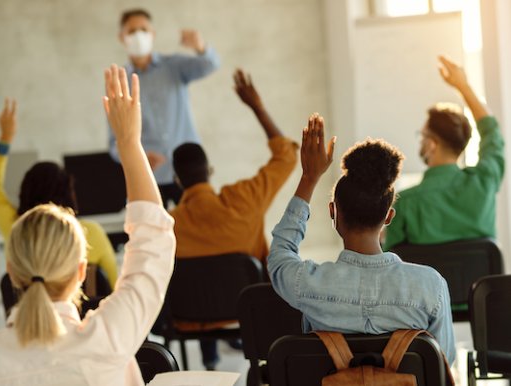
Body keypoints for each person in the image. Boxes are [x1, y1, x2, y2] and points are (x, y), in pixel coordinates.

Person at [0, 65, 175, 385]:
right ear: (80, 271)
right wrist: (129, 142)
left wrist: (4, 140)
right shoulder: (109, 338)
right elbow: (153, 243)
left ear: (12, 271)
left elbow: (153, 240)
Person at [267, 114, 456, 365]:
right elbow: (443, 361)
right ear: (388, 217)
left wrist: (309, 178)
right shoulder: (430, 286)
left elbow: (280, 255)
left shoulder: (307, 283)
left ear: (333, 213)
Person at [167, 69, 298, 370]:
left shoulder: (167, 225)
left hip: (189, 319)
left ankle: (209, 362)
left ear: (176, 179)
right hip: (250, 311)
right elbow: (287, 158)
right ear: (209, 171)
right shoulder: (245, 200)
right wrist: (257, 107)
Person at [383, 56, 505, 250]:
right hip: (478, 281)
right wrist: (463, 87)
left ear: (432, 144)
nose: (421, 141)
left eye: (422, 136)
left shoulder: (404, 204)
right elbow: (492, 132)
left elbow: (391, 267)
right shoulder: (484, 182)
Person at [0, 100, 118, 288]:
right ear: (68, 194)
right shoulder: (90, 234)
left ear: (24, 194)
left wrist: (5, 138)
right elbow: (116, 286)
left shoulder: (15, 230)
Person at [108, 8, 220, 207]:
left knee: (199, 229)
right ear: (121, 37)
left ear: (153, 34)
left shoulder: (173, 66)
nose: (138, 36)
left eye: (143, 29)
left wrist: (199, 46)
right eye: (132, 31)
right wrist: (133, 153)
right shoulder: (120, 80)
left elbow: (209, 64)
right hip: (148, 176)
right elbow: (114, 139)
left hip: (188, 171)